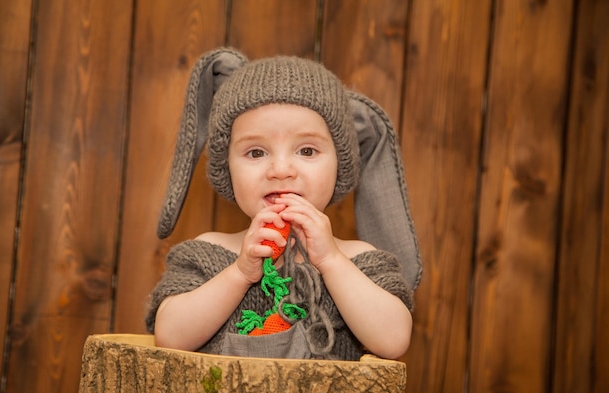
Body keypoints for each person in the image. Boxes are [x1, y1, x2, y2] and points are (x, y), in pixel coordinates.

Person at [145, 48, 422, 361]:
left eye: (306, 151)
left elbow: (394, 340)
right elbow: (169, 336)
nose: (280, 170)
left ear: (341, 164)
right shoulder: (209, 253)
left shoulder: (357, 260)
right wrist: (239, 273)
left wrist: (331, 261)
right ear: (227, 167)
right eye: (256, 153)